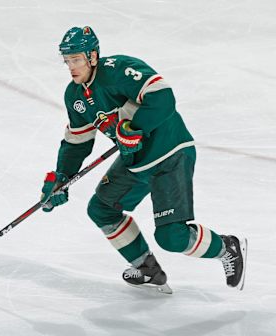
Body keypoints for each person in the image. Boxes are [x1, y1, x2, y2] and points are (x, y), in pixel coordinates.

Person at [40, 26, 247, 293]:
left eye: (76, 59)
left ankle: (227, 247)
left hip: (169, 152)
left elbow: (163, 97)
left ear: (93, 56)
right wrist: (62, 177)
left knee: (172, 237)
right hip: (135, 161)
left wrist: (134, 127)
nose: (71, 67)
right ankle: (148, 270)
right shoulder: (75, 95)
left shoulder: (118, 69)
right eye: (67, 61)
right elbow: (77, 142)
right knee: (101, 209)